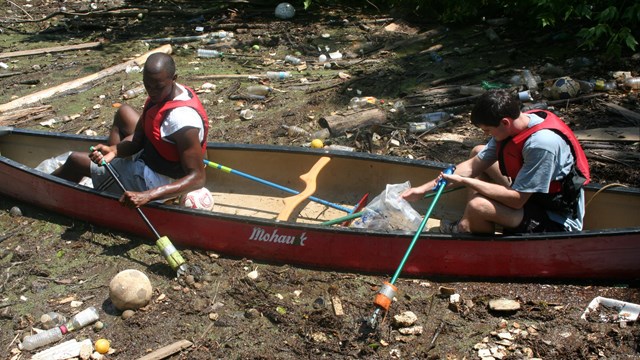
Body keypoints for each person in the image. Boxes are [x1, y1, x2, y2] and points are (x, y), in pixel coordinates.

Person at [402, 89, 590, 234]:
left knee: (478, 205)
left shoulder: (541, 144)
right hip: (531, 196)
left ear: (505, 122)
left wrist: (468, 181)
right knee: (479, 151)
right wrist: (423, 189)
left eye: (488, 130)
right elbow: (472, 166)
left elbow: (517, 201)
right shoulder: (515, 125)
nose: (487, 135)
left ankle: (476, 237)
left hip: (553, 218)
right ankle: (467, 224)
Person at [52, 52, 209, 208]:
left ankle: (46, 188)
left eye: (158, 87)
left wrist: (148, 195)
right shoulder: (168, 93)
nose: (152, 92)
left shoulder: (181, 121)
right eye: (148, 86)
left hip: (157, 180)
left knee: (75, 161)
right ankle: (112, 177)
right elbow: (138, 139)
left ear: (174, 79)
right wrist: (113, 150)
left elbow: (197, 178)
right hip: (154, 154)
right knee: (124, 112)